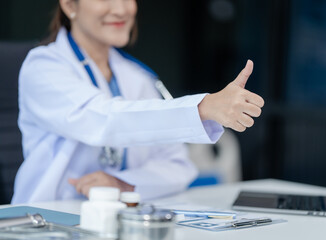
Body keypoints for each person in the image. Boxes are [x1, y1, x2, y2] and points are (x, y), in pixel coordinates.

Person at [12, 0, 265, 204]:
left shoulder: (139, 76)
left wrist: (124, 183)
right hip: (46, 219)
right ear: (69, 6)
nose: (122, 9)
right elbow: (104, 118)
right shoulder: (43, 67)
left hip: (117, 222)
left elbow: (178, 165)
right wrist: (203, 108)